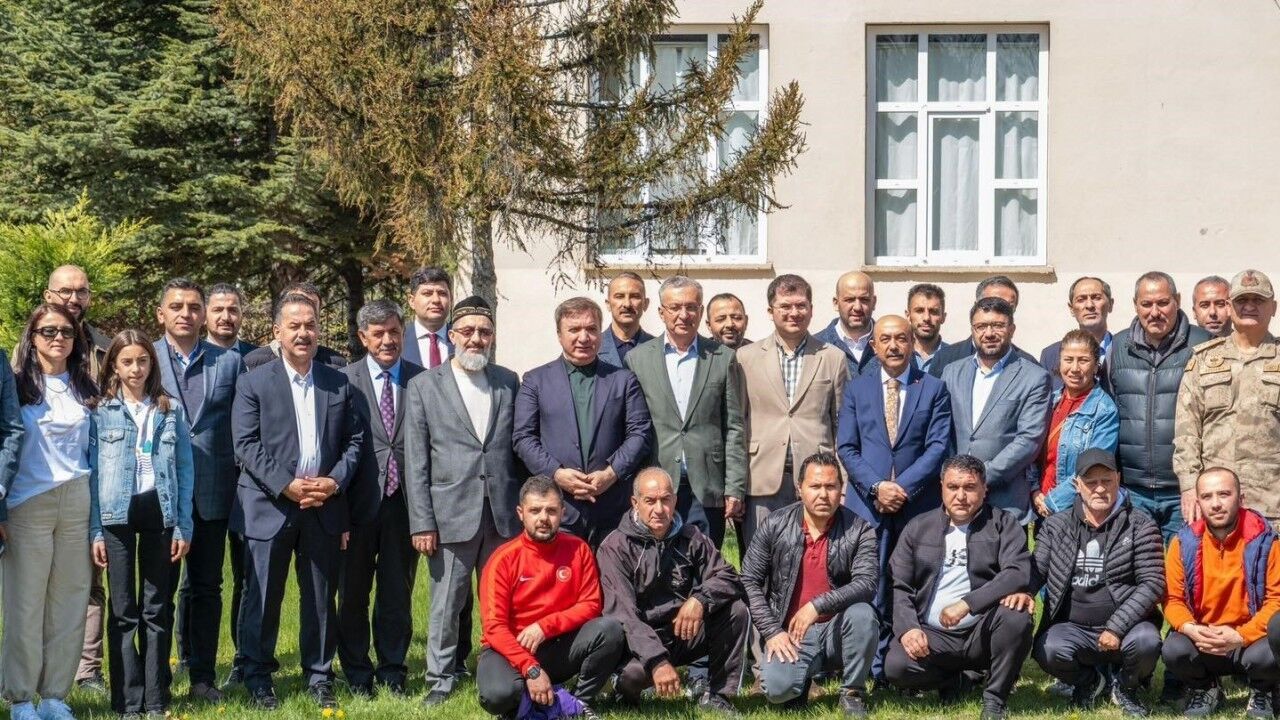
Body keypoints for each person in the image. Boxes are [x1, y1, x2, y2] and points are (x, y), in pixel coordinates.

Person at [231, 293, 364, 709]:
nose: (303, 333)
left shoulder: (337, 381)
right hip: (269, 505)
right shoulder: (253, 381)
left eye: (310, 325)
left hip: (324, 505)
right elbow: (246, 444)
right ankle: (257, 677)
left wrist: (334, 481)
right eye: (294, 326)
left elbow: (355, 441)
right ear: (277, 332)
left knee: (321, 598)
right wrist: (285, 484)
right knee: (263, 596)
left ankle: (319, 676)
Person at [404, 296, 524, 705]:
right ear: (452, 335)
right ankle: (440, 678)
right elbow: (416, 461)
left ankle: (500, 669)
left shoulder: (507, 381)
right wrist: (422, 522)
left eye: (484, 332)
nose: (476, 339)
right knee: (447, 603)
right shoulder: (424, 385)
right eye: (468, 331)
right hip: (450, 513)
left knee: (500, 601)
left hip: (502, 514)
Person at [837, 314, 952, 678]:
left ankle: (906, 660)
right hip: (867, 505)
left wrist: (900, 488)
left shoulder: (932, 388)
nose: (893, 346)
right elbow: (847, 446)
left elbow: (937, 447)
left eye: (901, 338)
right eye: (885, 339)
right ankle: (867, 663)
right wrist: (877, 487)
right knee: (869, 583)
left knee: (910, 582)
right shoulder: (857, 389)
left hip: (915, 504)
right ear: (874, 346)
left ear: (912, 343)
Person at [89, 330, 195, 719]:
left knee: (156, 607)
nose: (136, 369)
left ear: (152, 363)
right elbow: (92, 474)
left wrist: (183, 525)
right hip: (116, 513)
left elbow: (185, 469)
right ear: (114, 367)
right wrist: (95, 531)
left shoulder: (169, 410)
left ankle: (156, 697)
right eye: (127, 361)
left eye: (143, 360)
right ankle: (127, 701)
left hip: (159, 510)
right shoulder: (101, 411)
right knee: (122, 610)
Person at [1, 304, 98, 720]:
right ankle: (21, 698)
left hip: (77, 500)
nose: (58, 338)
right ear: (32, 337)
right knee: (25, 604)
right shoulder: (16, 383)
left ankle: (55, 695)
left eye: (66, 332)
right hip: (27, 502)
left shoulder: (86, 385)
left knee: (70, 602)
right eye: (48, 331)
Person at [884, 455, 1034, 720]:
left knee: (1016, 616)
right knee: (896, 666)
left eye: (970, 487)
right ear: (941, 487)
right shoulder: (918, 527)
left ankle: (995, 699)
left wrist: (967, 604)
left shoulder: (1003, 524)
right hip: (934, 636)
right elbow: (900, 586)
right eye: (953, 487)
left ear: (984, 489)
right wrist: (909, 629)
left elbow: (1017, 571)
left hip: (982, 631)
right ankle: (956, 681)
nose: (961, 496)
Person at [1016, 449, 1164, 717]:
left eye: (1106, 480)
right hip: (1073, 626)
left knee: (1147, 642)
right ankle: (1091, 682)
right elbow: (1037, 568)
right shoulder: (1056, 525)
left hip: (1129, 626)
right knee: (1048, 649)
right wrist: (1025, 591)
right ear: (1077, 485)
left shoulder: (1140, 524)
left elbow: (1152, 583)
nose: (1099, 489)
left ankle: (1126, 686)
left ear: (1118, 479)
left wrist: (1117, 627)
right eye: (1091, 482)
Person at [153, 279, 245, 702]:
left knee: (208, 588)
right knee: (160, 592)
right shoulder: (145, 358)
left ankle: (203, 679)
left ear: (203, 314)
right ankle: (157, 680)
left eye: (193, 307)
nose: (186, 314)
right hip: (161, 494)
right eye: (177, 306)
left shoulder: (228, 362)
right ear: (162, 314)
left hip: (212, 490)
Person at [597, 468, 748, 715]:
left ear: (675, 501)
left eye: (665, 500)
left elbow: (729, 576)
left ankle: (718, 695)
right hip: (638, 641)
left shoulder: (692, 536)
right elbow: (623, 615)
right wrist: (657, 661)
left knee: (735, 611)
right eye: (650, 501)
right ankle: (622, 694)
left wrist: (700, 599)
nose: (659, 509)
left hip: (681, 631)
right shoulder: (615, 547)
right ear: (635, 503)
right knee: (632, 677)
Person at [740, 451, 879, 716]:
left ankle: (852, 693)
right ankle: (799, 682)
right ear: (800, 489)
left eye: (831, 486)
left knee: (863, 614)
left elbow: (867, 583)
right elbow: (748, 580)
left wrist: (817, 605)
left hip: (837, 629)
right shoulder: (775, 524)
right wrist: (772, 631)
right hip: (790, 634)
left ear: (841, 489)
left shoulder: (859, 529)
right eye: (815, 486)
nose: (823, 494)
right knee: (778, 690)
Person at [475, 476, 625, 720]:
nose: (543, 518)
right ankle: (538, 696)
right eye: (535, 511)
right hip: (509, 649)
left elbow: (591, 605)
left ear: (563, 513)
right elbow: (494, 628)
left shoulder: (579, 549)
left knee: (610, 631)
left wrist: (545, 627)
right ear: (521, 513)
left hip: (556, 645)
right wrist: (531, 669)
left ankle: (576, 703)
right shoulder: (502, 560)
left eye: (551, 511)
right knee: (498, 696)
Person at [336, 300, 424, 697]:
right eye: (378, 334)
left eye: (393, 332)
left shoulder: (422, 380)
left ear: (403, 333)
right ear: (362, 337)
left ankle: (392, 670)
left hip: (404, 504)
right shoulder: (343, 380)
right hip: (357, 505)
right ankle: (357, 672)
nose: (387, 340)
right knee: (352, 593)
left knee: (396, 593)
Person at [513, 297, 651, 547]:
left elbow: (639, 433)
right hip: (559, 507)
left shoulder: (623, 380)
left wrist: (611, 473)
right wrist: (556, 473)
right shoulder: (535, 381)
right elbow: (523, 438)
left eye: (591, 329)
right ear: (559, 334)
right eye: (574, 329)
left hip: (612, 507)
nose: (584, 337)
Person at [624, 276, 746, 547]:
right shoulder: (637, 359)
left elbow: (734, 426)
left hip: (707, 482)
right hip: (658, 481)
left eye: (691, 307)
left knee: (705, 557)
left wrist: (734, 487)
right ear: (661, 312)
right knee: (658, 558)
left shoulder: (722, 357)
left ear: (700, 312)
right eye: (675, 307)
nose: (683, 314)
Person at [737, 274, 848, 548]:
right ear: (770, 311)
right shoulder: (746, 358)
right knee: (762, 557)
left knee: (813, 556)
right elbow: (737, 423)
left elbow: (842, 424)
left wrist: (842, 482)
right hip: (761, 475)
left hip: (817, 477)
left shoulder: (832, 357)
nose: (794, 313)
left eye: (801, 306)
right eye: (785, 306)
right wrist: (735, 486)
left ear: (811, 309)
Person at [1163, 467, 1280, 718]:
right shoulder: (1183, 542)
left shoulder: (1266, 541)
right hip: (1205, 638)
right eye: (1207, 496)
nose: (1216, 504)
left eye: (1224, 494)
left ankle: (1263, 690)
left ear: (1241, 498)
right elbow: (1173, 599)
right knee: (1174, 649)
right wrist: (1191, 628)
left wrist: (1241, 635)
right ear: (1198, 502)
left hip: (1250, 641)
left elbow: (1276, 601)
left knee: (1272, 648)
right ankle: (1206, 688)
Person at [43, 265, 109, 691]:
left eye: (81, 291)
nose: (73, 298)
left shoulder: (103, 348)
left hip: (91, 480)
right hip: (40, 480)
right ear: (48, 295)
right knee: (37, 582)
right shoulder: (31, 344)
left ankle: (87, 671)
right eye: (65, 290)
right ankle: (40, 667)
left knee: (89, 579)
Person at [1108, 271, 1210, 542]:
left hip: (1184, 490)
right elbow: (1109, 410)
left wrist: (1197, 482)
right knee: (1138, 564)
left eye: (1163, 303)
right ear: (1135, 305)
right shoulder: (1118, 347)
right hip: (1133, 489)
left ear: (1177, 301)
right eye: (1146, 304)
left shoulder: (1203, 345)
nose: (1154, 312)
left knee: (1184, 564)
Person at [1176, 269, 1280, 526]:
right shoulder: (1204, 360)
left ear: (1274, 308)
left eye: (1258, 300)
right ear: (1230, 307)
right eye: (1242, 300)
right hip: (1215, 502)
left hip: (1272, 501)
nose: (1250, 306)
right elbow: (1187, 431)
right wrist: (1189, 485)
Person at [941, 297, 1051, 520]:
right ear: (973, 330)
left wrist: (979, 477)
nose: (989, 333)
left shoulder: (1034, 377)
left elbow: (1028, 440)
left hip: (1005, 502)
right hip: (955, 501)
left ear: (1012, 329)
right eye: (981, 326)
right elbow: (943, 432)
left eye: (998, 325)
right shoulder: (951, 372)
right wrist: (954, 480)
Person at [1032, 330, 1119, 517]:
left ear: (1096, 366)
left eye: (1083, 360)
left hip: (1075, 510)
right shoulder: (1049, 402)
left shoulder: (1104, 410)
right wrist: (1034, 491)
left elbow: (1092, 468)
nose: (1074, 368)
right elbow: (1031, 449)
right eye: (1068, 360)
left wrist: (1052, 502)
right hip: (1040, 502)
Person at [926, 276, 1036, 378]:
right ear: (976, 306)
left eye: (1008, 307)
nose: (999, 312)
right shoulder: (946, 359)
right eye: (991, 304)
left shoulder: (1030, 367)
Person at [242, 283, 347, 371]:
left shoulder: (338, 365)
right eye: (297, 301)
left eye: (312, 306)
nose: (304, 310)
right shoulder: (252, 364)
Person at [1039, 277, 1114, 391]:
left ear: (1110, 304)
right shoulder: (1050, 355)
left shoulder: (1125, 352)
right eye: (1081, 299)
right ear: (1071, 309)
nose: (1089, 305)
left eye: (1096, 298)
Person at [815, 271, 879, 377]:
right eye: (849, 300)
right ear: (836, 303)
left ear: (874, 302)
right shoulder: (815, 347)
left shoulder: (892, 345)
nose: (857, 307)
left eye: (864, 299)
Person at [401, 266, 454, 369]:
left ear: (451, 299)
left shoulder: (463, 338)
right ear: (412, 301)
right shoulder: (398, 339)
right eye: (427, 294)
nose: (436, 300)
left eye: (442, 293)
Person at [598, 272, 654, 367]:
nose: (627, 304)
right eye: (619, 296)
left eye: (635, 296)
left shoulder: (660, 349)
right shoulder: (592, 347)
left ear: (645, 304)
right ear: (608, 304)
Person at [205, 283, 259, 356]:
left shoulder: (259, 357)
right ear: (204, 316)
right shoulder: (192, 357)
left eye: (232, 310)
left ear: (241, 315)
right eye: (218, 310)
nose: (226, 317)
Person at [905, 284, 949, 374]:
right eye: (919, 311)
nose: (926, 318)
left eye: (933, 312)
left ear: (943, 317)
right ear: (908, 315)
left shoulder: (954, 357)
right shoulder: (898, 354)